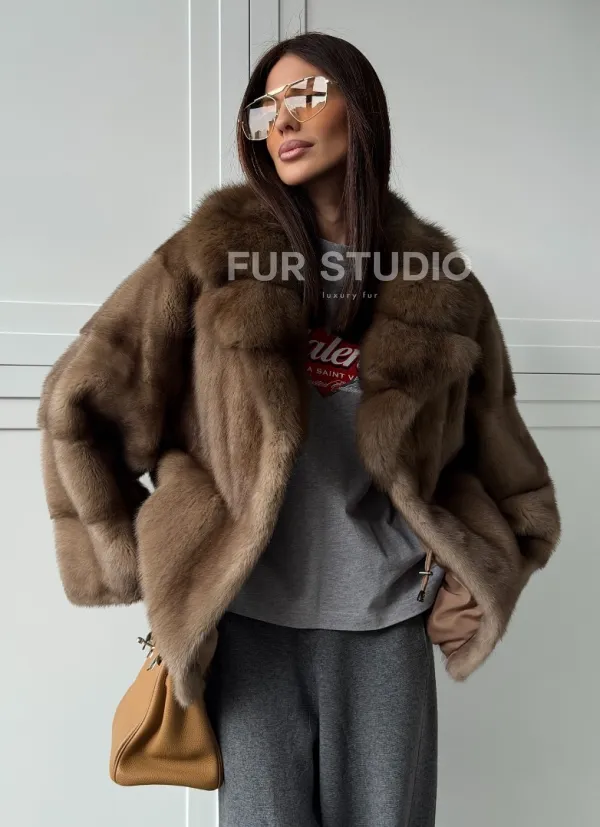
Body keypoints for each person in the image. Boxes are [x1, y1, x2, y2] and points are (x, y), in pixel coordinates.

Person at [38, 31, 561, 827]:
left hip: (386, 628)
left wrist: (467, 575)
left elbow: (508, 472)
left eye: (307, 95)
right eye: (265, 107)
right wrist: (151, 556)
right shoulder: (209, 258)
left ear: (362, 110)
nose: (282, 119)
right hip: (249, 627)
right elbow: (79, 404)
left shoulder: (438, 284)